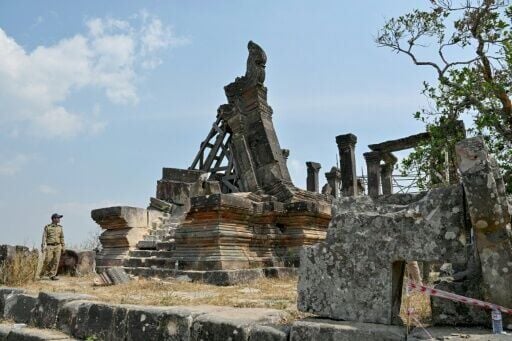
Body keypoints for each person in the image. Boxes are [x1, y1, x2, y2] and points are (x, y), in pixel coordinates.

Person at [40, 213, 65, 280]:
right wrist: (42, 245)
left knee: (56, 261)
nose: (59, 219)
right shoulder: (48, 227)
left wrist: (63, 246)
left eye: (59, 218)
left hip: (58, 246)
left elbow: (62, 237)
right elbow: (44, 236)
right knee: (47, 260)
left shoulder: (60, 227)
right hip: (50, 246)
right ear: (54, 219)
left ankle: (52, 275)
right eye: (58, 218)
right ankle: (43, 274)